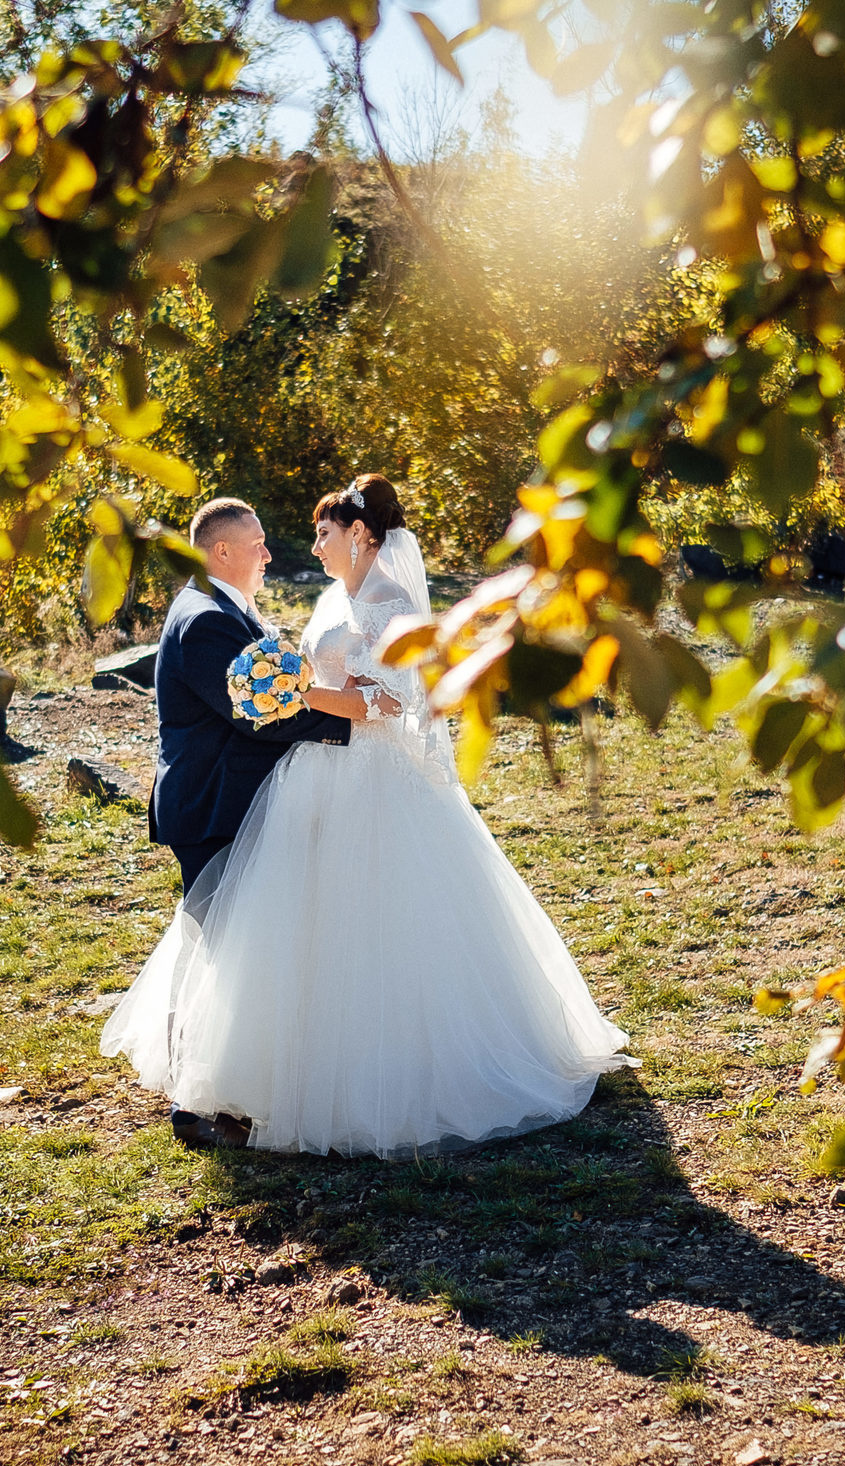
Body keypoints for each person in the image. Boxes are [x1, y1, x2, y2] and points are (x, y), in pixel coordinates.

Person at [105, 476, 633, 1157]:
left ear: (359, 534)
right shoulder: (244, 610)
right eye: (262, 543)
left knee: (339, 927)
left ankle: (306, 1076)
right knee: (246, 939)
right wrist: (311, 695)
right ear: (224, 552)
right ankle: (213, 1087)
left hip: (362, 776)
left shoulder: (387, 607)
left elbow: (388, 701)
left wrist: (309, 694)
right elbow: (268, 701)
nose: (289, 550)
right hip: (256, 791)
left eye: (321, 532)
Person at [142, 496, 392, 1148]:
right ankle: (196, 1102)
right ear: (222, 550)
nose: (269, 554)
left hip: (226, 800)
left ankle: (224, 1092)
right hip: (212, 804)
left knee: (227, 948)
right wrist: (354, 719)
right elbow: (258, 714)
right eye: (257, 544)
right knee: (220, 953)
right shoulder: (205, 620)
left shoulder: (223, 608)